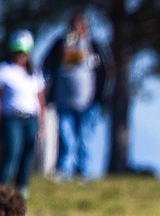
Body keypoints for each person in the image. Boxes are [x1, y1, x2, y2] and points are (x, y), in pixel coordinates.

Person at [43, 11, 106, 180]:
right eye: (74, 26)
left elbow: (104, 71)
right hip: (63, 100)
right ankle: (63, 170)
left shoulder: (93, 46)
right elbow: (46, 65)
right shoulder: (60, 44)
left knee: (85, 139)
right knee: (66, 138)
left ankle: (82, 172)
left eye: (81, 26)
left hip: (88, 102)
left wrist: (99, 96)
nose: (78, 29)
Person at [0, 30, 44, 197]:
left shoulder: (34, 73)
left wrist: (41, 123)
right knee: (12, 151)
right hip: (11, 117)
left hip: (30, 118)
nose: (20, 56)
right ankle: (0, 185)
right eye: (18, 52)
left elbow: (40, 99)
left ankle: (21, 186)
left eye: (24, 52)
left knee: (27, 153)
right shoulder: (3, 70)